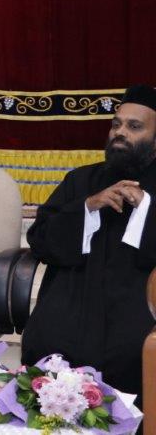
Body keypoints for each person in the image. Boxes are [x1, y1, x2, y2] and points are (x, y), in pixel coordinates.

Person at [22, 85, 156, 396]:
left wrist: (146, 209)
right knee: (46, 344)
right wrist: (88, 207)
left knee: (132, 356)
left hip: (137, 305)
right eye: (116, 124)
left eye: (134, 127)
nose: (120, 133)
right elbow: (40, 239)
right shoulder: (80, 180)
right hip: (73, 301)